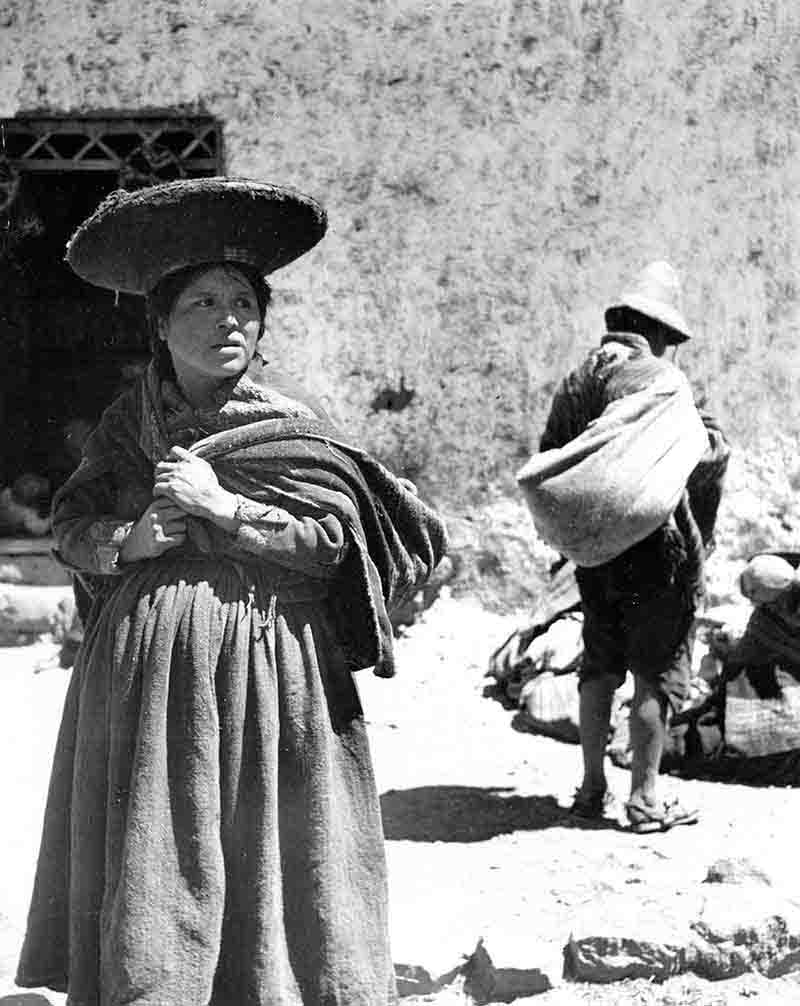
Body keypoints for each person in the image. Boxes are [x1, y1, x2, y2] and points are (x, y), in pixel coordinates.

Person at [15, 178, 447, 1006]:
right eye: (204, 303)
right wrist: (128, 541)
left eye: (244, 303)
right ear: (160, 324)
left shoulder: (296, 428)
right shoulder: (126, 423)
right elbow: (71, 524)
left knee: (273, 840)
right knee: (159, 842)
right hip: (146, 679)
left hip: (274, 669)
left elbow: (335, 547)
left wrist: (229, 507)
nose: (228, 321)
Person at [539, 261, 729, 833]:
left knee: (599, 666)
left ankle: (591, 789)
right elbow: (705, 459)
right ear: (658, 333)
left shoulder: (577, 380)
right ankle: (645, 800)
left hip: (595, 554)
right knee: (657, 672)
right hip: (657, 553)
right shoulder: (660, 380)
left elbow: (552, 456)